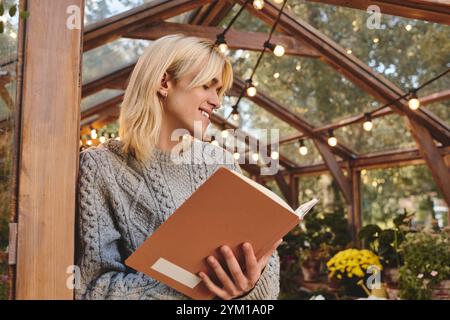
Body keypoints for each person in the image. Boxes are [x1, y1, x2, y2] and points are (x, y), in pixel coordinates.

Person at [76, 34, 281, 300]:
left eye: (219, 92)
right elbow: (93, 289)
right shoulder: (100, 167)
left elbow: (268, 284)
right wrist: (196, 285)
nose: (216, 102)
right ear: (164, 82)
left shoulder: (219, 161)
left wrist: (249, 287)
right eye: (207, 86)